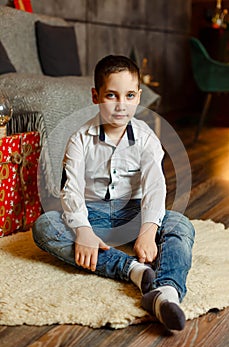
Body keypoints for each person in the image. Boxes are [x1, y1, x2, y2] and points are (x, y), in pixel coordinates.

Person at [33, 55, 195, 331]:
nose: (121, 105)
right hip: (93, 214)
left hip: (133, 213)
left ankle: (165, 292)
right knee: (44, 226)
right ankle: (134, 270)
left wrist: (147, 229)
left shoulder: (145, 137)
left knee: (180, 224)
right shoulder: (80, 139)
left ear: (138, 97)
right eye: (111, 95)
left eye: (130, 95)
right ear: (95, 96)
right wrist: (82, 229)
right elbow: (70, 189)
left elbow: (155, 186)